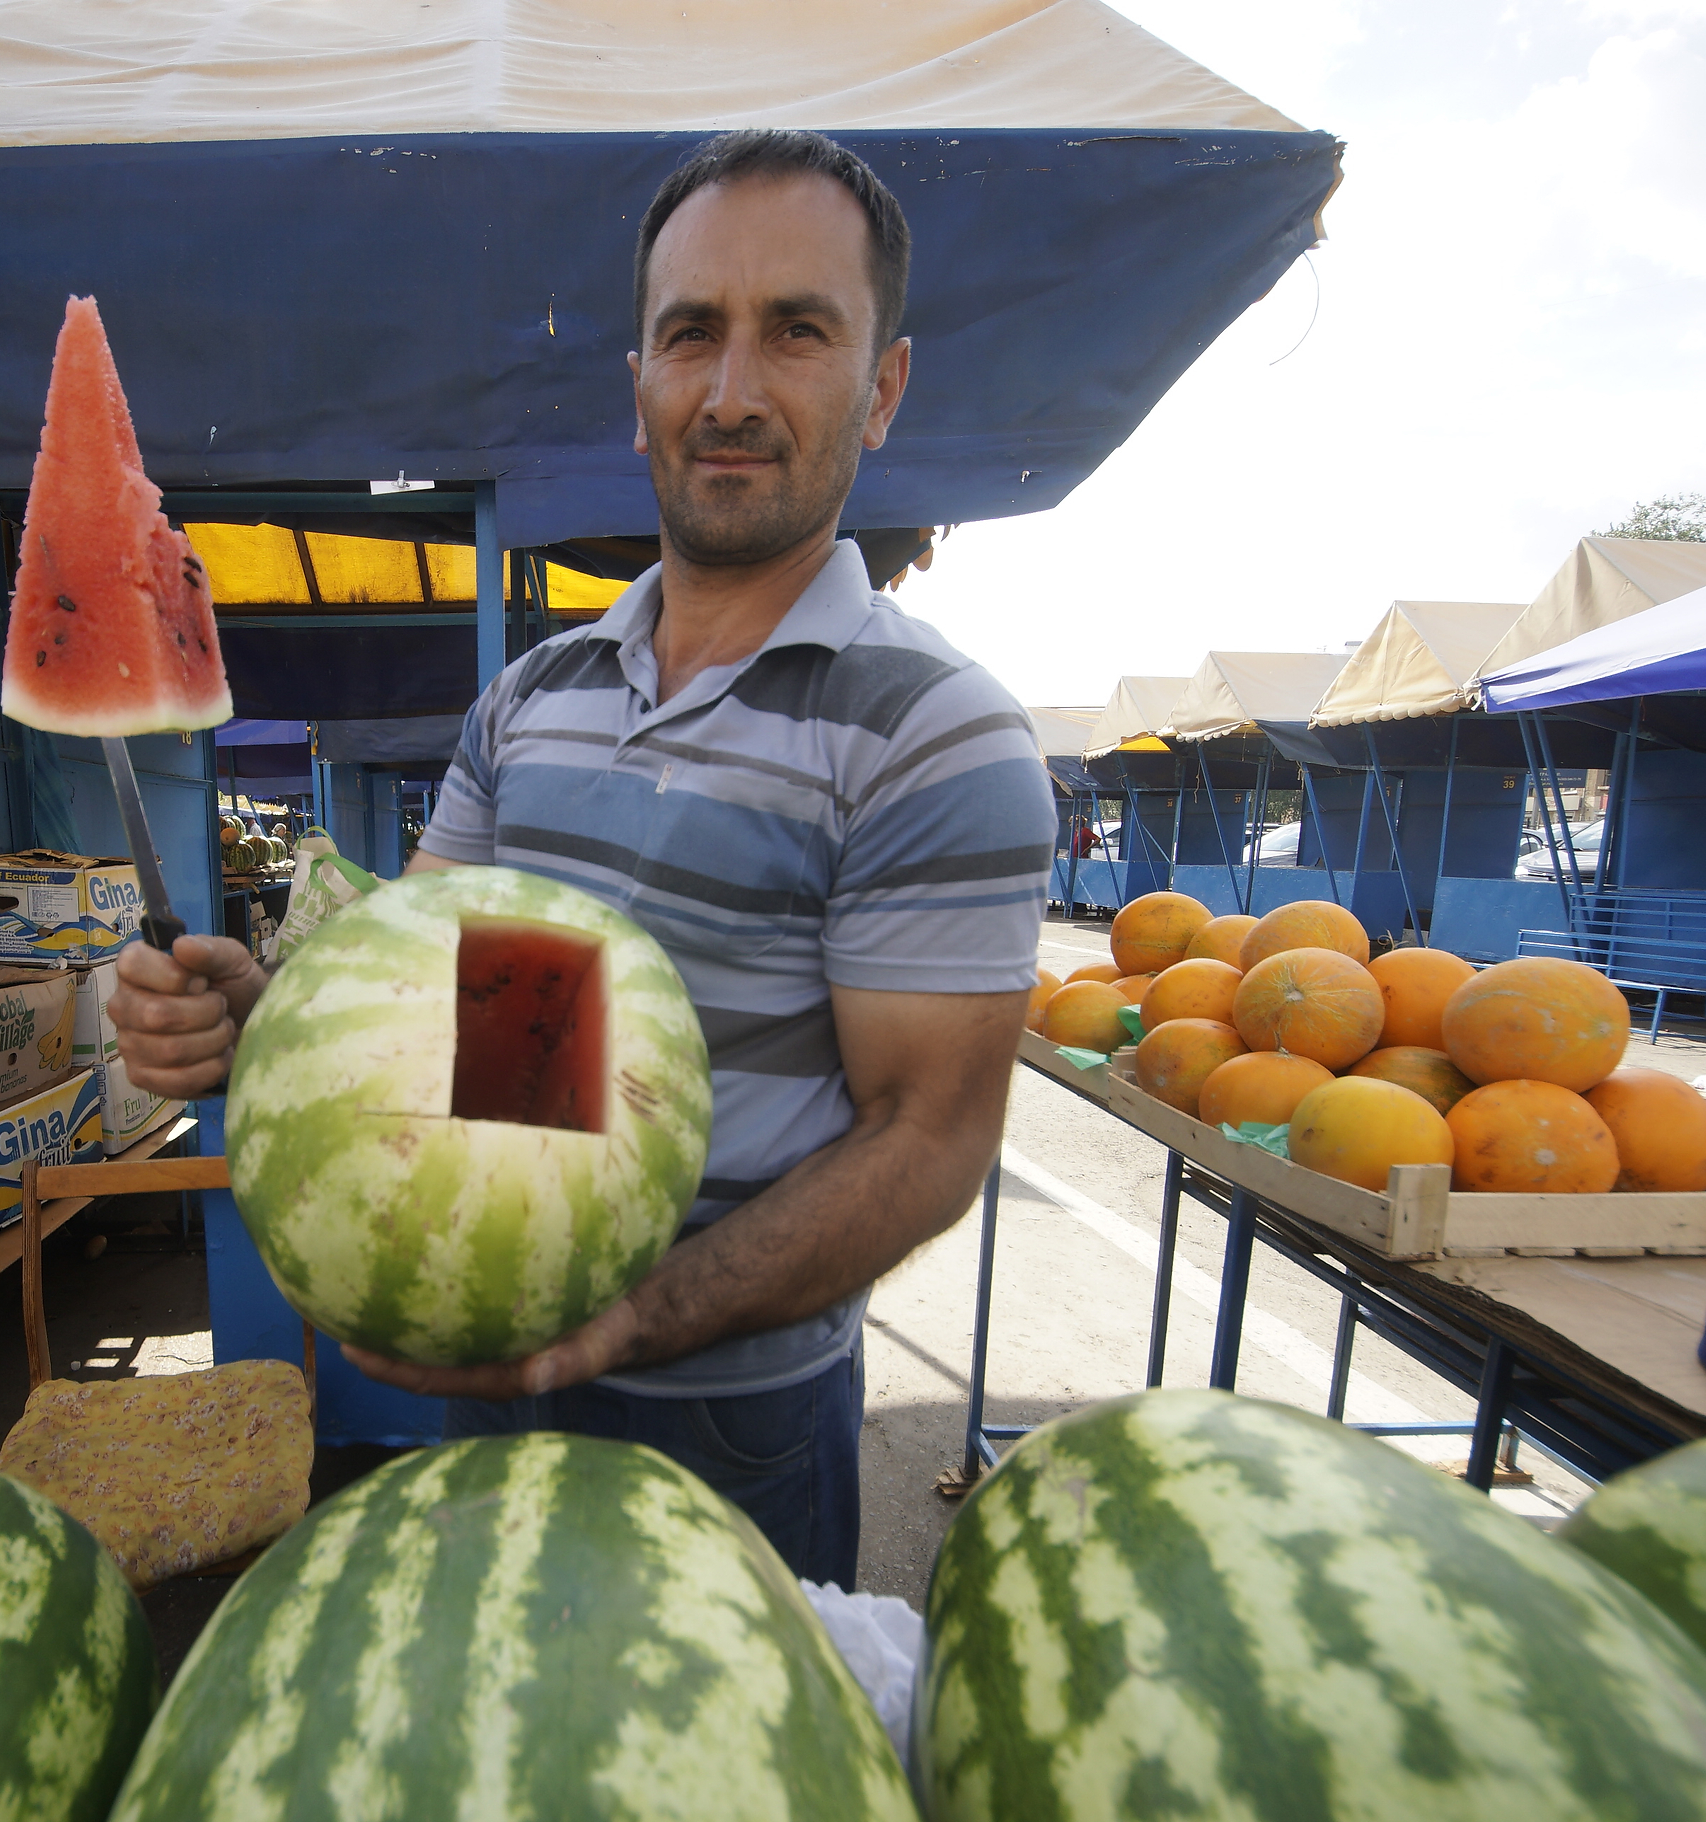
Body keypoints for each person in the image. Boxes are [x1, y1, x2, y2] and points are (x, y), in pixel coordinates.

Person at [109, 129, 1053, 1587]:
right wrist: (255, 1015)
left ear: (884, 387)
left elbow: (928, 1141)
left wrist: (634, 1318)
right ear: (639, 389)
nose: (732, 392)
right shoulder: (532, 699)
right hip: (488, 1379)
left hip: (732, 1424)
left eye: (796, 331)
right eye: (692, 335)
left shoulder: (937, 734)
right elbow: (414, 996)